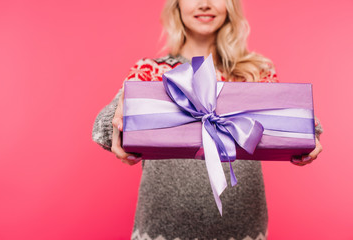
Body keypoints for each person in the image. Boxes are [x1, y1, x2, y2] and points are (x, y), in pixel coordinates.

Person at [92, 0, 323, 239]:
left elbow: (296, 124)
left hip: (243, 229)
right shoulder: (150, 72)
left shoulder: (256, 72)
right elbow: (103, 131)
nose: (204, 4)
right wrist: (118, 112)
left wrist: (308, 135)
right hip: (161, 228)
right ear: (177, 6)